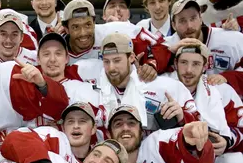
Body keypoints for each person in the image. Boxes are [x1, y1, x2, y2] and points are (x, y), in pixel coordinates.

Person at [52, 32, 199, 133]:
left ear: (131, 58)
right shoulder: (93, 87)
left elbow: (198, 123)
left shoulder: (164, 86)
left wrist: (182, 116)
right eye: (107, 61)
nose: (111, 68)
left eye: (117, 61)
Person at [167, 42, 243, 163]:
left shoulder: (221, 90)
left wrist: (227, 141)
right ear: (175, 63)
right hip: (171, 158)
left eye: (196, 64)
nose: (188, 70)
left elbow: (241, 127)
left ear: (204, 66)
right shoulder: (161, 86)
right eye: (183, 62)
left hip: (210, 158)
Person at [60, 0, 171, 78]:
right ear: (66, 29)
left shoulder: (115, 31)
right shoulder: (55, 49)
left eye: (88, 25)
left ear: (94, 23)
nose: (83, 33)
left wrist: (151, 63)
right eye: (75, 27)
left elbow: (161, 46)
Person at [164, 0, 243, 90]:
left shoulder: (231, 39)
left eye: (193, 18)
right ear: (174, 25)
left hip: (225, 102)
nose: (189, 26)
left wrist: (228, 78)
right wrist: (167, 53)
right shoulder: (166, 46)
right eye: (182, 21)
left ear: (201, 19)